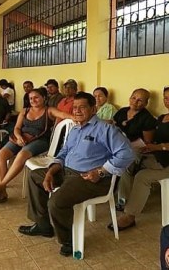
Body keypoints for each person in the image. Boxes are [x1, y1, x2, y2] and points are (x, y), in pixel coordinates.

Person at [18, 92, 135, 257]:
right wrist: (51, 171)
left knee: (57, 202)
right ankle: (42, 224)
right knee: (35, 176)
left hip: (91, 178)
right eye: (74, 108)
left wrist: (101, 171)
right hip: (67, 171)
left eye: (82, 107)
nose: (77, 111)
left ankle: (68, 240)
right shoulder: (74, 129)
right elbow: (63, 153)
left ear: (93, 109)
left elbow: (127, 154)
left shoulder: (105, 129)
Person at [0, 88, 73, 202]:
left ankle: (1, 186)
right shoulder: (25, 111)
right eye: (31, 98)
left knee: (22, 155)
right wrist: (18, 137)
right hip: (21, 138)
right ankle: (2, 190)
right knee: (2, 154)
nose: (33, 100)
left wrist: (77, 117)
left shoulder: (49, 110)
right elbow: (17, 128)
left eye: (36, 97)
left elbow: (63, 114)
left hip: (40, 141)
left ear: (44, 98)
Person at [113, 87, 169, 231]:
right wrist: (149, 147)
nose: (167, 101)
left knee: (141, 176)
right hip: (154, 156)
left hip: (165, 161)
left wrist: (158, 147)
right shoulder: (162, 117)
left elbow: (157, 143)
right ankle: (123, 200)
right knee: (127, 162)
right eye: (166, 98)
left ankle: (130, 216)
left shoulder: (148, 118)